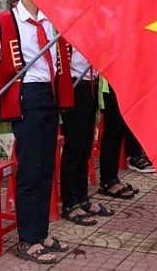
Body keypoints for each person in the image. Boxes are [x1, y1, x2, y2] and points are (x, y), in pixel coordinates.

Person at [0, 0, 75, 264]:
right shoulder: (5, 22)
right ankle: (27, 238)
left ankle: (41, 233)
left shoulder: (50, 20)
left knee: (46, 168)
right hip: (27, 97)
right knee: (30, 169)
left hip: (49, 95)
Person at [60, 45, 113, 226]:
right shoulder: (67, 25)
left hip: (91, 81)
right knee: (74, 146)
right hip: (74, 83)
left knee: (85, 145)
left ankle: (82, 197)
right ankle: (69, 202)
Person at [97, 79, 137, 200]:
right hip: (106, 81)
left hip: (118, 81)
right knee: (113, 129)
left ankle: (113, 177)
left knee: (119, 129)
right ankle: (108, 180)